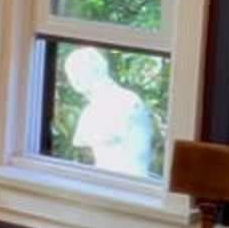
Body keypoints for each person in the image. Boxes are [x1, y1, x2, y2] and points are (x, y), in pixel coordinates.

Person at [63, 46, 160, 176]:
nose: (73, 81)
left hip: (122, 182)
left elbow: (83, 145)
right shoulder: (130, 98)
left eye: (73, 75)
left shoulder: (102, 108)